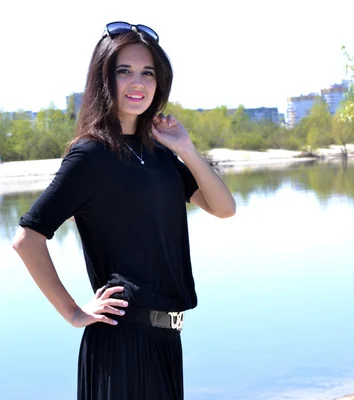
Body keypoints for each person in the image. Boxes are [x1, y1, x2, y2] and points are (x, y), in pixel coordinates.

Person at [12, 22, 236, 400]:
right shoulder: (91, 155)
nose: (138, 82)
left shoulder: (159, 153)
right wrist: (74, 313)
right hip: (121, 341)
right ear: (104, 78)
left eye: (147, 72)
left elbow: (223, 208)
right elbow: (26, 239)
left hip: (167, 340)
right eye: (124, 71)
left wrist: (187, 150)